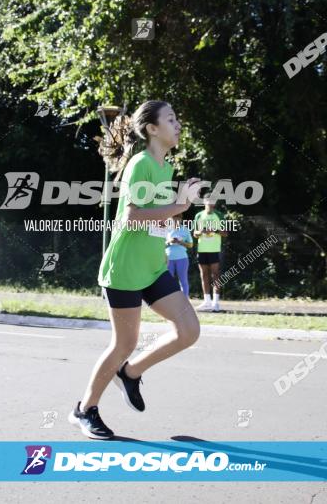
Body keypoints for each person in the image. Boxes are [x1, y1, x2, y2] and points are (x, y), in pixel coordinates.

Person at [67, 100, 203, 440]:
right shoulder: (141, 164)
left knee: (188, 331)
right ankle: (84, 410)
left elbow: (157, 216)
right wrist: (180, 205)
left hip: (153, 267)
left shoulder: (165, 167)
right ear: (152, 129)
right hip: (125, 269)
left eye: (178, 117)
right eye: (171, 119)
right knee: (122, 344)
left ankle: (131, 373)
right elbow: (131, 216)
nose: (178, 123)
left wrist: (176, 211)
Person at [193, 196, 227, 312]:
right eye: (208, 201)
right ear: (204, 202)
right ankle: (207, 301)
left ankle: (215, 303)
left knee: (216, 276)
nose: (210, 204)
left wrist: (214, 230)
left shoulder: (219, 215)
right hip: (202, 249)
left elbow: (225, 233)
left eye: (213, 201)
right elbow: (195, 234)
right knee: (204, 275)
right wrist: (201, 231)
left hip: (214, 250)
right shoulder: (198, 215)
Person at [165, 213, 193, 297]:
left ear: (181, 220)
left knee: (183, 280)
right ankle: (169, 299)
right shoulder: (166, 230)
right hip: (169, 258)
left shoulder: (185, 230)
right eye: (174, 220)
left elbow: (190, 245)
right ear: (170, 220)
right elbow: (161, 244)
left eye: (178, 220)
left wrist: (180, 242)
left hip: (182, 258)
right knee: (168, 281)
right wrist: (169, 242)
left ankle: (185, 300)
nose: (176, 221)